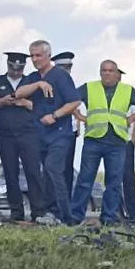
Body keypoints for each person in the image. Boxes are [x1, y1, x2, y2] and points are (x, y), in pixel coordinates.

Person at [70, 59, 135, 225]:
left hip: (117, 142)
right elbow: (69, 100)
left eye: (110, 71)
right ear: (100, 73)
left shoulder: (127, 90)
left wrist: (131, 118)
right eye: (104, 70)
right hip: (94, 140)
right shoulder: (90, 87)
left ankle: (109, 218)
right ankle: (75, 217)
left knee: (114, 183)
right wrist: (79, 116)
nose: (107, 73)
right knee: (85, 180)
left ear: (117, 74)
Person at [14, 40, 80, 223]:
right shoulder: (34, 77)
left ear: (48, 56)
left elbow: (75, 102)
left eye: (38, 55)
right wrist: (38, 85)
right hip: (39, 134)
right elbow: (18, 93)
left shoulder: (60, 76)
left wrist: (55, 115)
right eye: (32, 56)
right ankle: (51, 213)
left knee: (53, 168)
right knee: (45, 172)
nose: (35, 59)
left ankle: (64, 215)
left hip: (59, 133)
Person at [0, 51, 47, 223]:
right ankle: (16, 211)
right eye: (13, 68)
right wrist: (1, 102)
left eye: (19, 69)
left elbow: (42, 107)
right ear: (8, 65)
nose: (16, 71)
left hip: (29, 133)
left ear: (23, 67)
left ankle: (38, 211)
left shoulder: (31, 82)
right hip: (5, 134)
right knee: (10, 173)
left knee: (33, 172)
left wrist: (24, 103)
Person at [117, 67, 135, 222]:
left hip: (125, 142)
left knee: (127, 178)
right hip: (110, 142)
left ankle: (133, 212)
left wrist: (133, 141)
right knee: (113, 179)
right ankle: (117, 211)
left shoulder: (128, 95)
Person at [51, 51, 78, 199]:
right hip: (53, 131)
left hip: (70, 132)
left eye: (68, 67)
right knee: (54, 170)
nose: (66, 70)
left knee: (67, 170)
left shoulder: (72, 82)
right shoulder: (51, 82)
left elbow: (77, 107)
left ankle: (65, 203)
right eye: (63, 67)